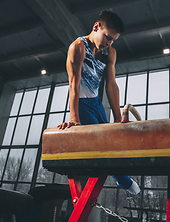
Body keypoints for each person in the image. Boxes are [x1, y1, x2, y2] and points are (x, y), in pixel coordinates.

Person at [57, 10, 140, 195]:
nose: (109, 43)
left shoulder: (110, 52)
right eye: (107, 37)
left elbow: (111, 84)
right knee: (103, 145)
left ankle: (123, 179)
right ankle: (125, 182)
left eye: (113, 40)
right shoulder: (77, 48)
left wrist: (118, 118)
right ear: (96, 27)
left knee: (112, 140)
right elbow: (73, 85)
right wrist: (74, 119)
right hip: (82, 104)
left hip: (96, 103)